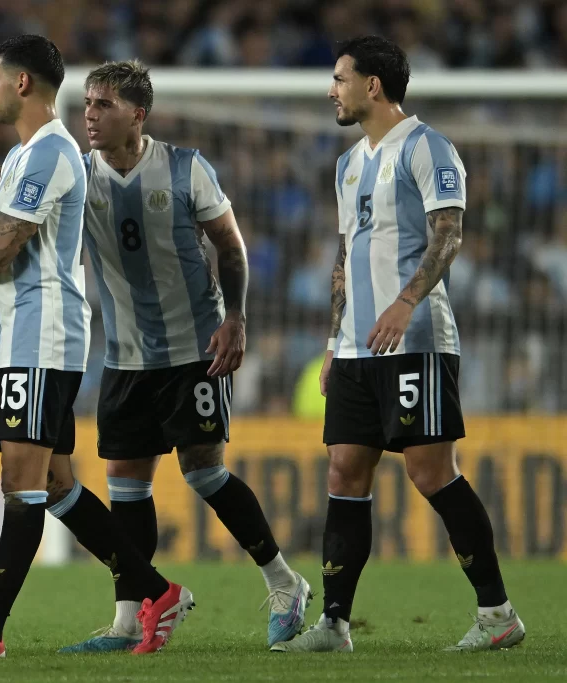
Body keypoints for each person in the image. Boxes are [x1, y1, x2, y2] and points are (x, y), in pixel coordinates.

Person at [0, 59, 312, 653]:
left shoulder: (184, 168)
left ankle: (282, 580)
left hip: (192, 344)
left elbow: (230, 244)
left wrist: (236, 318)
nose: (90, 114)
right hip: (124, 351)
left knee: (202, 471)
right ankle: (132, 618)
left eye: (104, 105)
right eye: (88, 102)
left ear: (137, 115)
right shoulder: (81, 169)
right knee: (126, 485)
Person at [272, 36, 524, 653]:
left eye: (339, 78)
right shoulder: (347, 164)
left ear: (373, 85)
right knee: (344, 470)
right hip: (356, 349)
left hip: (416, 341)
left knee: (431, 471)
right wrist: (333, 341)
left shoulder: (428, 146)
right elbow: (345, 256)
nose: (330, 90)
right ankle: (334, 624)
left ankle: (498, 614)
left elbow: (448, 234)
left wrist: (406, 301)